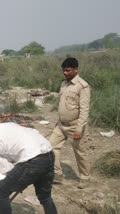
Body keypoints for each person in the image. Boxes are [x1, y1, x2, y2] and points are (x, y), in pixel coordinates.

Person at [0, 123, 57, 214]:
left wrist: (19, 182)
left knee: (1, 191)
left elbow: (6, 168)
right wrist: (19, 181)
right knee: (45, 197)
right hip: (48, 153)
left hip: (32, 159)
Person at [49, 57, 91, 189]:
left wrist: (79, 129)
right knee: (50, 148)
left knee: (80, 153)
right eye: (64, 71)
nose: (65, 73)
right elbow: (62, 104)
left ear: (76, 69)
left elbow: (84, 109)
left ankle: (85, 178)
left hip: (75, 126)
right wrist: (58, 121)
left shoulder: (82, 86)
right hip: (61, 125)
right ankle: (57, 175)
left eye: (68, 70)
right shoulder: (63, 84)